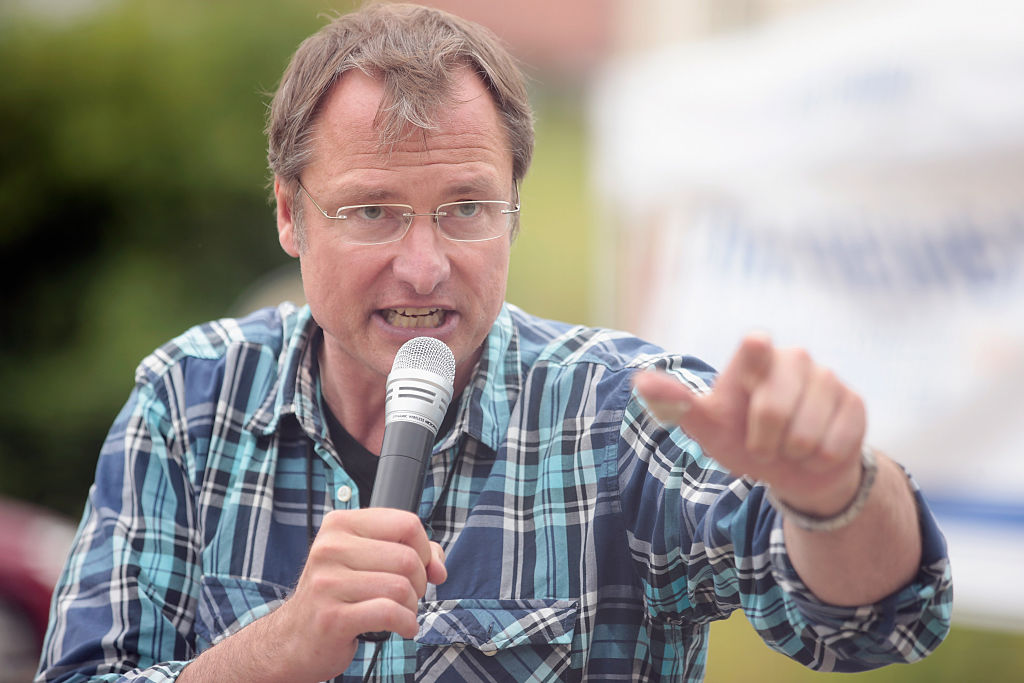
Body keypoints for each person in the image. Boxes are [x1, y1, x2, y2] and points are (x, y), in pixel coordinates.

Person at [37, 3, 952, 681]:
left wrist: (837, 491)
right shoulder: (189, 400)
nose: (426, 266)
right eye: (373, 213)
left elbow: (873, 621)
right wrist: (284, 646)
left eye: (467, 209)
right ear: (290, 215)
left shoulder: (621, 411)